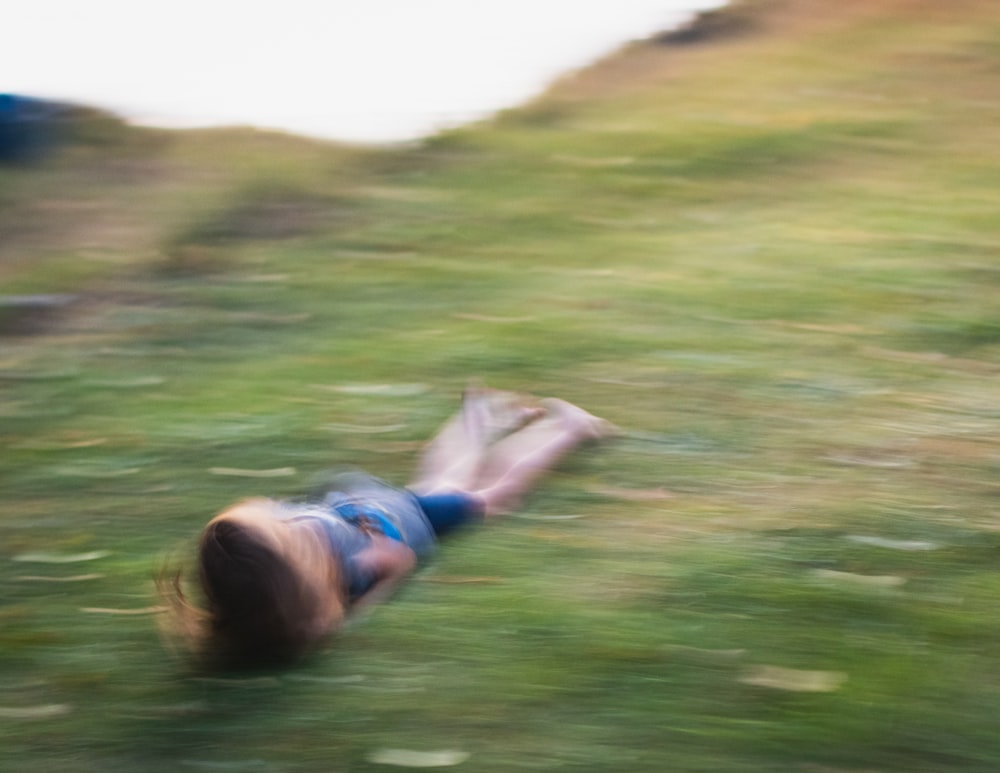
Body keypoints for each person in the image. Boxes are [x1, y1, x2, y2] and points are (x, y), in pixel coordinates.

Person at [160, 385, 613, 670]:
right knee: (437, 482)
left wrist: (369, 603)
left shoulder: (346, 567)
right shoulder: (266, 559)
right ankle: (476, 414)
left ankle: (566, 427)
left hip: (395, 522)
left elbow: (400, 558)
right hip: (357, 504)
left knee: (493, 495)